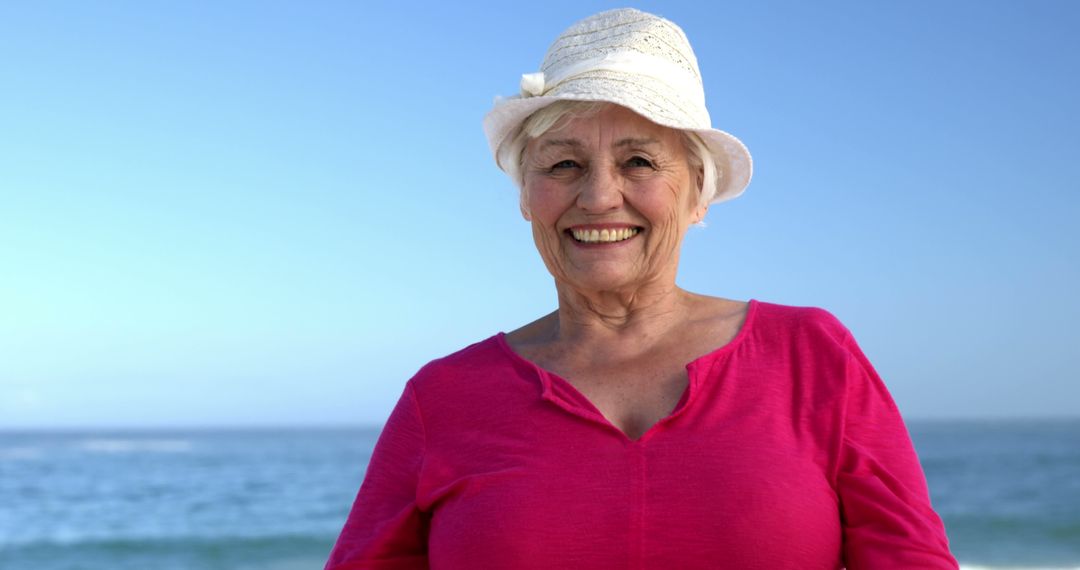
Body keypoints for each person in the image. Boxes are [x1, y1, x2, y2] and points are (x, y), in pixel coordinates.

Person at [325, 8, 958, 569]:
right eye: (564, 164)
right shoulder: (442, 399)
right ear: (526, 197)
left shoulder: (812, 356)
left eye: (640, 162)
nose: (599, 196)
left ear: (698, 197)